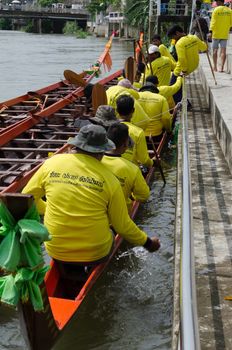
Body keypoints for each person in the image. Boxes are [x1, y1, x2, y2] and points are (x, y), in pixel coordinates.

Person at [22, 124, 160, 265]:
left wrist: (50, 209)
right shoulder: (110, 179)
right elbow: (122, 226)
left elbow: (26, 197)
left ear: (75, 146)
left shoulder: (51, 163)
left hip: (54, 247)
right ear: (102, 152)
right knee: (112, 230)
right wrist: (148, 243)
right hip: (96, 252)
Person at [102, 122, 150, 212]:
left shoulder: (94, 161)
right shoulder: (132, 169)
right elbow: (144, 197)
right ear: (125, 143)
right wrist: (131, 195)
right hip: (122, 214)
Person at [167, 25, 207, 105]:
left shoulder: (179, 43)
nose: (173, 39)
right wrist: (204, 42)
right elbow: (204, 48)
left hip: (183, 69)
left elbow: (182, 59)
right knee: (180, 86)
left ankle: (183, 105)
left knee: (173, 88)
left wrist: (184, 71)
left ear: (177, 33)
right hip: (194, 65)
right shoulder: (194, 37)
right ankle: (186, 103)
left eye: (173, 36)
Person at [116, 94, 154, 169]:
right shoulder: (138, 132)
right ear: (133, 110)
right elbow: (144, 160)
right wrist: (153, 162)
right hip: (131, 170)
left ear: (117, 110)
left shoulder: (110, 127)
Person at [208, 0, 232, 72]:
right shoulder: (229, 10)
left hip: (216, 33)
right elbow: (231, 23)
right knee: (223, 51)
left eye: (216, 1)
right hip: (224, 33)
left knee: (215, 50)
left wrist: (210, 32)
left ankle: (215, 67)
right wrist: (226, 27)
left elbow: (213, 22)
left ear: (219, 2)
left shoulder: (216, 10)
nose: (216, 3)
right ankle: (221, 68)